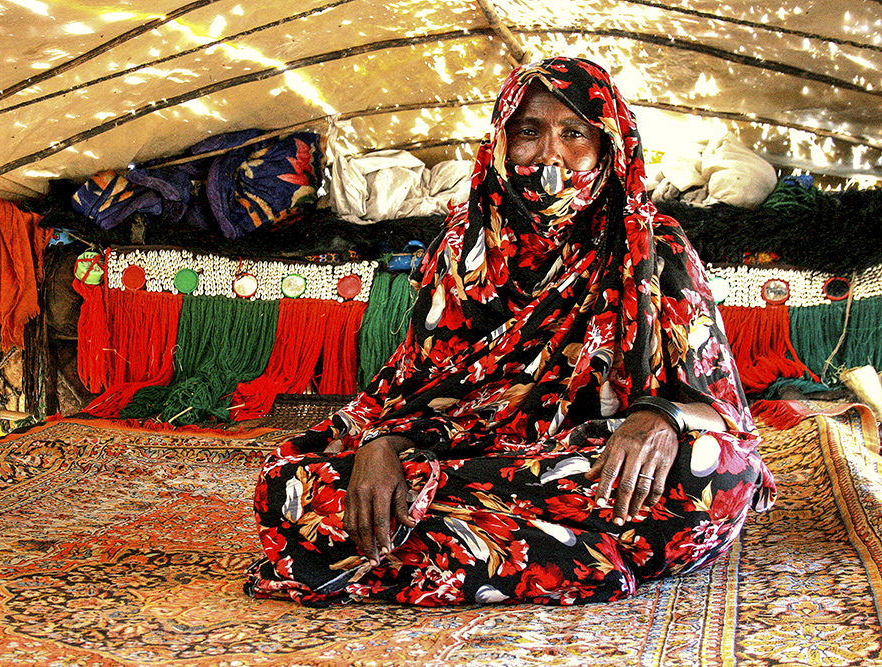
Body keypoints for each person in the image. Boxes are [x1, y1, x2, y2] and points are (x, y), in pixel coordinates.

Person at [244, 56, 776, 607]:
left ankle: (403, 550)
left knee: (716, 474)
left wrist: (659, 416)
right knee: (288, 483)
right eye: (529, 132)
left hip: (593, 462)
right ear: (501, 143)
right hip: (479, 455)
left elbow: (721, 408)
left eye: (573, 133)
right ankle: (558, 558)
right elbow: (413, 388)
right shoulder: (463, 250)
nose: (550, 155)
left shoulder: (652, 248)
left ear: (608, 145)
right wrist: (381, 445)